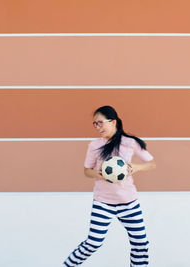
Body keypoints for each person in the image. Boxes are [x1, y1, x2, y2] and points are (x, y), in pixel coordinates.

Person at [63, 106, 156, 267]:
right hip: (103, 202)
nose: (97, 127)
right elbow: (87, 171)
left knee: (140, 243)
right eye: (95, 124)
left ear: (113, 122)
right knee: (93, 242)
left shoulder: (130, 143)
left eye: (100, 123)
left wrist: (136, 167)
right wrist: (98, 174)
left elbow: (151, 164)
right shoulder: (94, 145)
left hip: (129, 202)